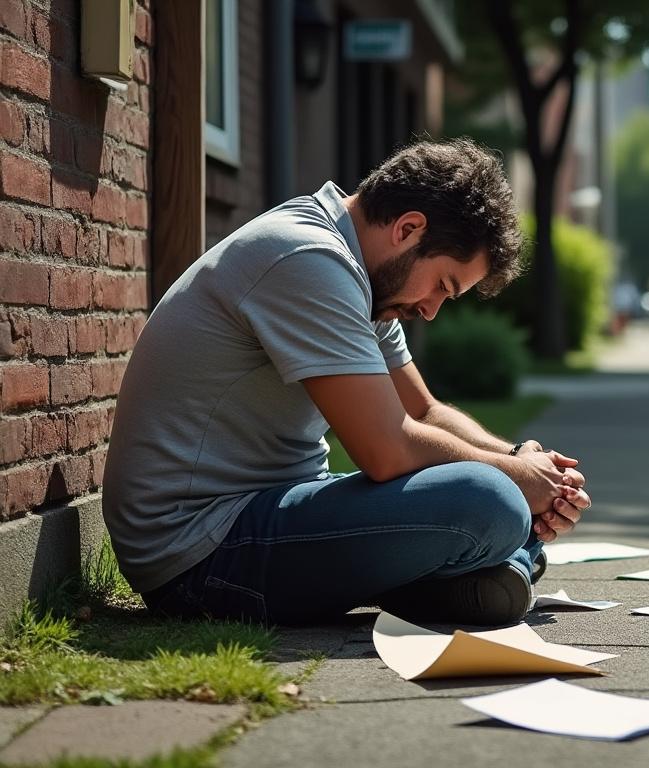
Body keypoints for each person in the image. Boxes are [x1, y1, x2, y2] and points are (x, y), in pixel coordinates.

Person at [103, 139, 591, 626]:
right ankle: (477, 573)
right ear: (408, 229)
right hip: (197, 552)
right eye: (442, 285)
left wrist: (520, 460)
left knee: (503, 501)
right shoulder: (308, 258)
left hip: (271, 511)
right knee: (492, 502)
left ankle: (482, 569)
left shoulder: (359, 271)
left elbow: (422, 411)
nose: (430, 310)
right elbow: (388, 451)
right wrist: (516, 483)